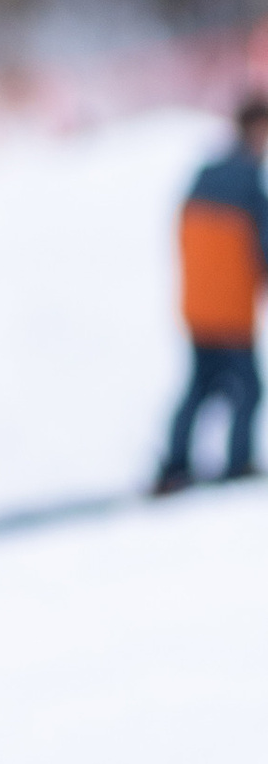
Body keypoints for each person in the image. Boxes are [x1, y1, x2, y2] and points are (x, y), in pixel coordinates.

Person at [152, 95, 268, 493]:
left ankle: (175, 464)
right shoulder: (248, 181)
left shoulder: (204, 175)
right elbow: (263, 246)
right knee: (249, 389)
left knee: (199, 387)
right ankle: (238, 462)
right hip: (230, 309)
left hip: (197, 306)